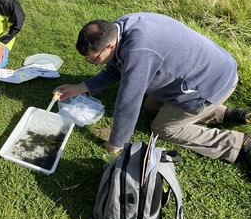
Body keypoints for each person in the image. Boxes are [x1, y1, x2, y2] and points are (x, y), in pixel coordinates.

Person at [54, 12, 251, 168]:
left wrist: (116, 143)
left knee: (163, 128)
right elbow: (116, 70)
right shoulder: (120, 27)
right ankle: (227, 114)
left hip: (211, 85)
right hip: (212, 69)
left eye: (93, 59)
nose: (91, 63)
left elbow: (129, 102)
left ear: (110, 46)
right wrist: (80, 87)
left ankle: (239, 144)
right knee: (151, 106)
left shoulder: (138, 52)